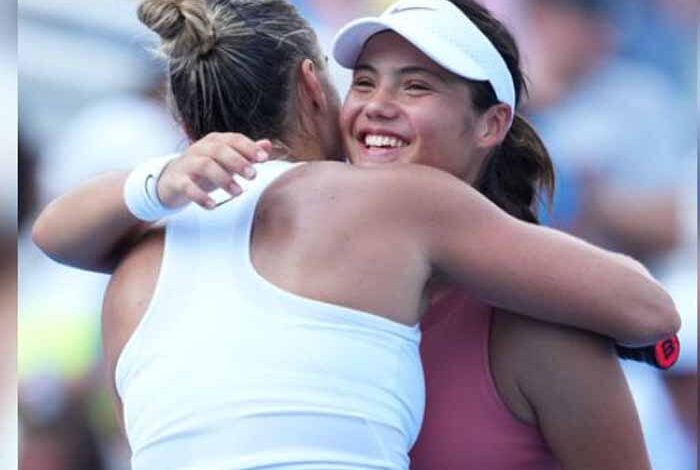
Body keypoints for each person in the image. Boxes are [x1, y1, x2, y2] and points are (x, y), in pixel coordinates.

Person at [32, 1, 679, 469]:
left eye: (416, 86)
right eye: (363, 82)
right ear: (316, 91)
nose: (377, 105)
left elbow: (652, 312)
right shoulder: (265, 282)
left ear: (492, 124)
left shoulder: (544, 324)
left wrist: (154, 182)